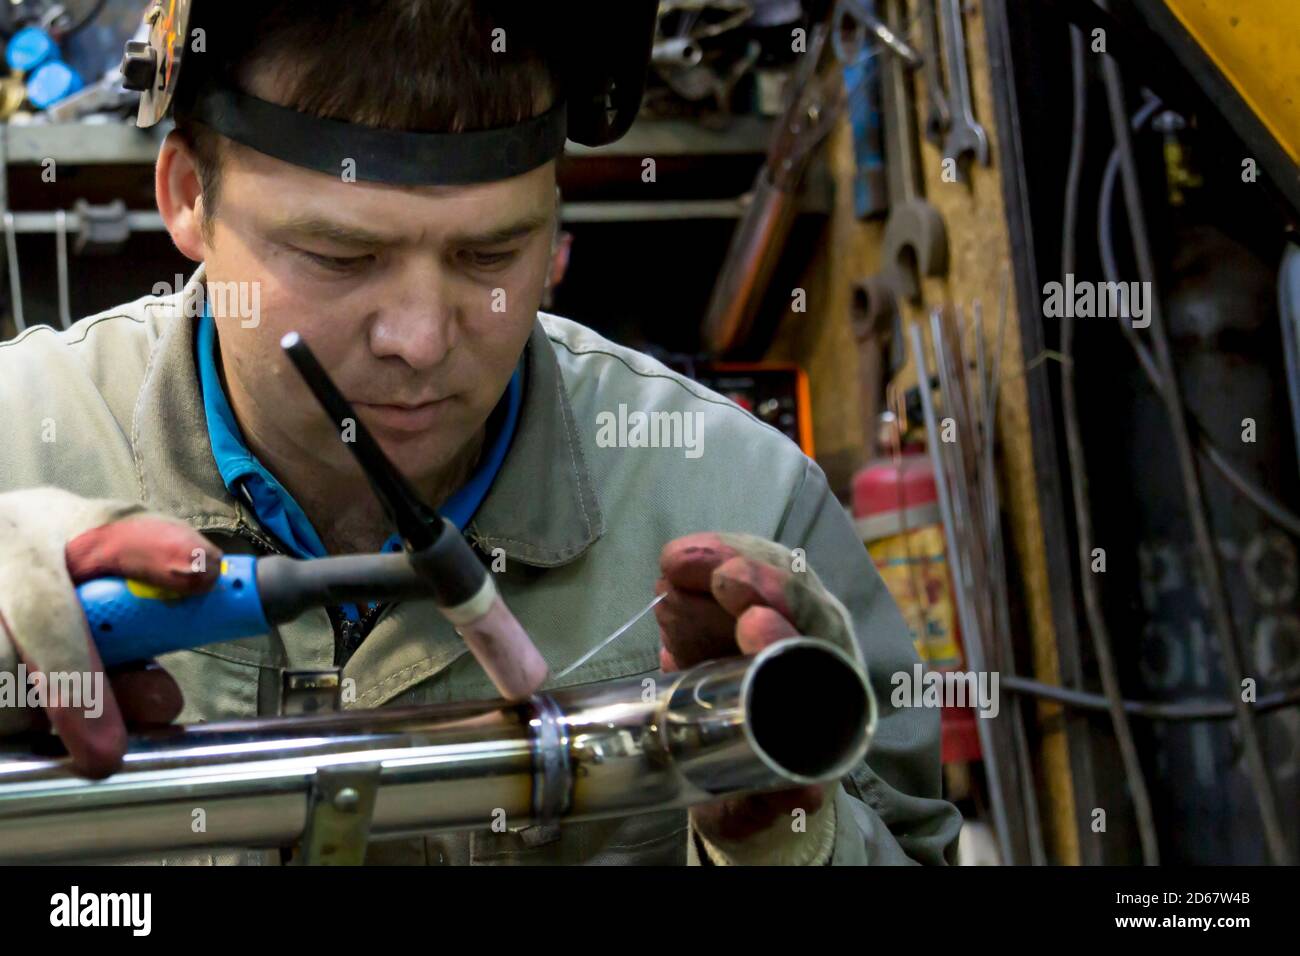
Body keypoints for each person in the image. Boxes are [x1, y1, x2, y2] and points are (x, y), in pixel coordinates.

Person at [0, 1, 960, 865]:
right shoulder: (16, 444)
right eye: (340, 255)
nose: (419, 341)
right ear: (186, 198)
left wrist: (785, 835)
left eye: (491, 253)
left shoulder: (745, 500)